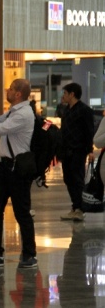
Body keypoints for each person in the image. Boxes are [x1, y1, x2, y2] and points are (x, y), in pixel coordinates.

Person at [0, 79, 38, 269]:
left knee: (22, 212)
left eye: (11, 89)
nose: (8, 90)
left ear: (18, 94)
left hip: (18, 169)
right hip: (4, 167)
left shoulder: (23, 114)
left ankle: (29, 254)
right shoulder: (14, 111)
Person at [59, 82, 94, 222]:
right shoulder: (66, 110)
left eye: (65, 93)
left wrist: (90, 150)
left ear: (72, 94)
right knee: (68, 179)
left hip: (78, 150)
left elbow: (89, 131)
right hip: (66, 151)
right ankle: (75, 207)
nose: (63, 96)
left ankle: (80, 208)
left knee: (77, 178)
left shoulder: (84, 110)